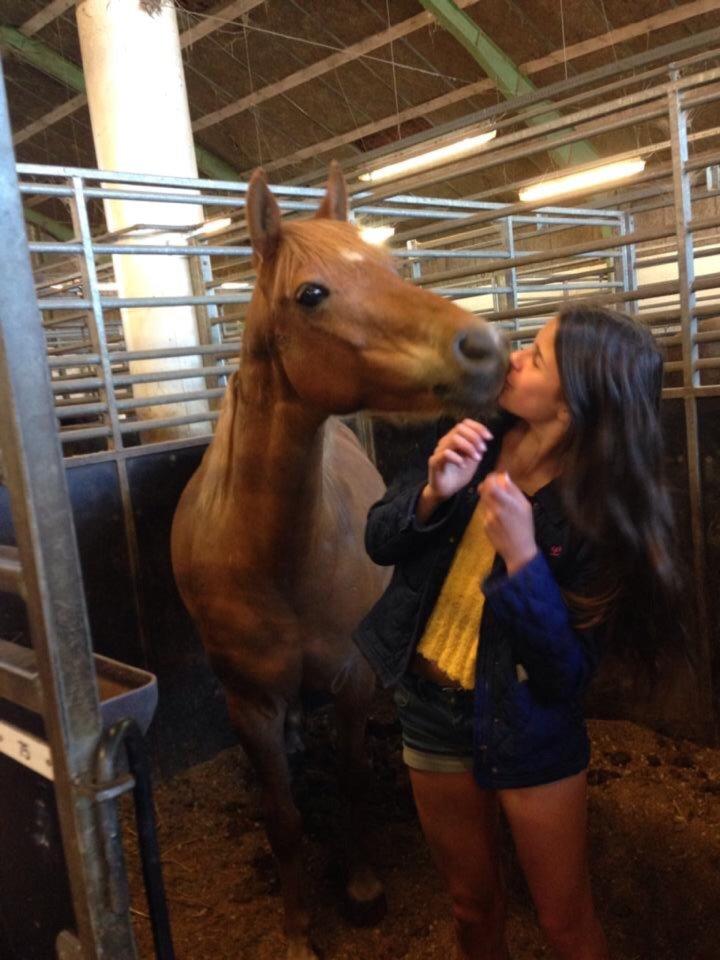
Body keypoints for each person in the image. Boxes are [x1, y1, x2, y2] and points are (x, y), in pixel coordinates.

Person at [354, 302, 681, 960]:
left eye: (537, 355)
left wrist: (525, 561)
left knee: (565, 922)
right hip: (430, 709)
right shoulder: (472, 434)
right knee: (470, 906)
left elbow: (566, 673)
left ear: (579, 397)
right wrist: (432, 495)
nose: (513, 358)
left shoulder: (602, 512)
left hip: (529, 724)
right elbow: (378, 540)